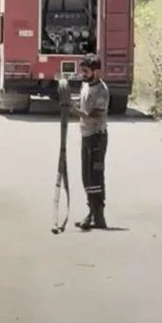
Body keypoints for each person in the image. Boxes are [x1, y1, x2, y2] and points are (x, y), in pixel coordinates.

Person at [72, 53, 109, 230]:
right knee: (86, 177)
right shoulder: (86, 85)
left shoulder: (101, 90)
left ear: (96, 71)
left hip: (97, 136)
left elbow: (94, 115)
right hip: (86, 136)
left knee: (95, 177)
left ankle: (98, 215)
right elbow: (82, 104)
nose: (83, 74)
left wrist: (74, 111)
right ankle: (91, 213)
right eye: (82, 71)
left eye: (86, 71)